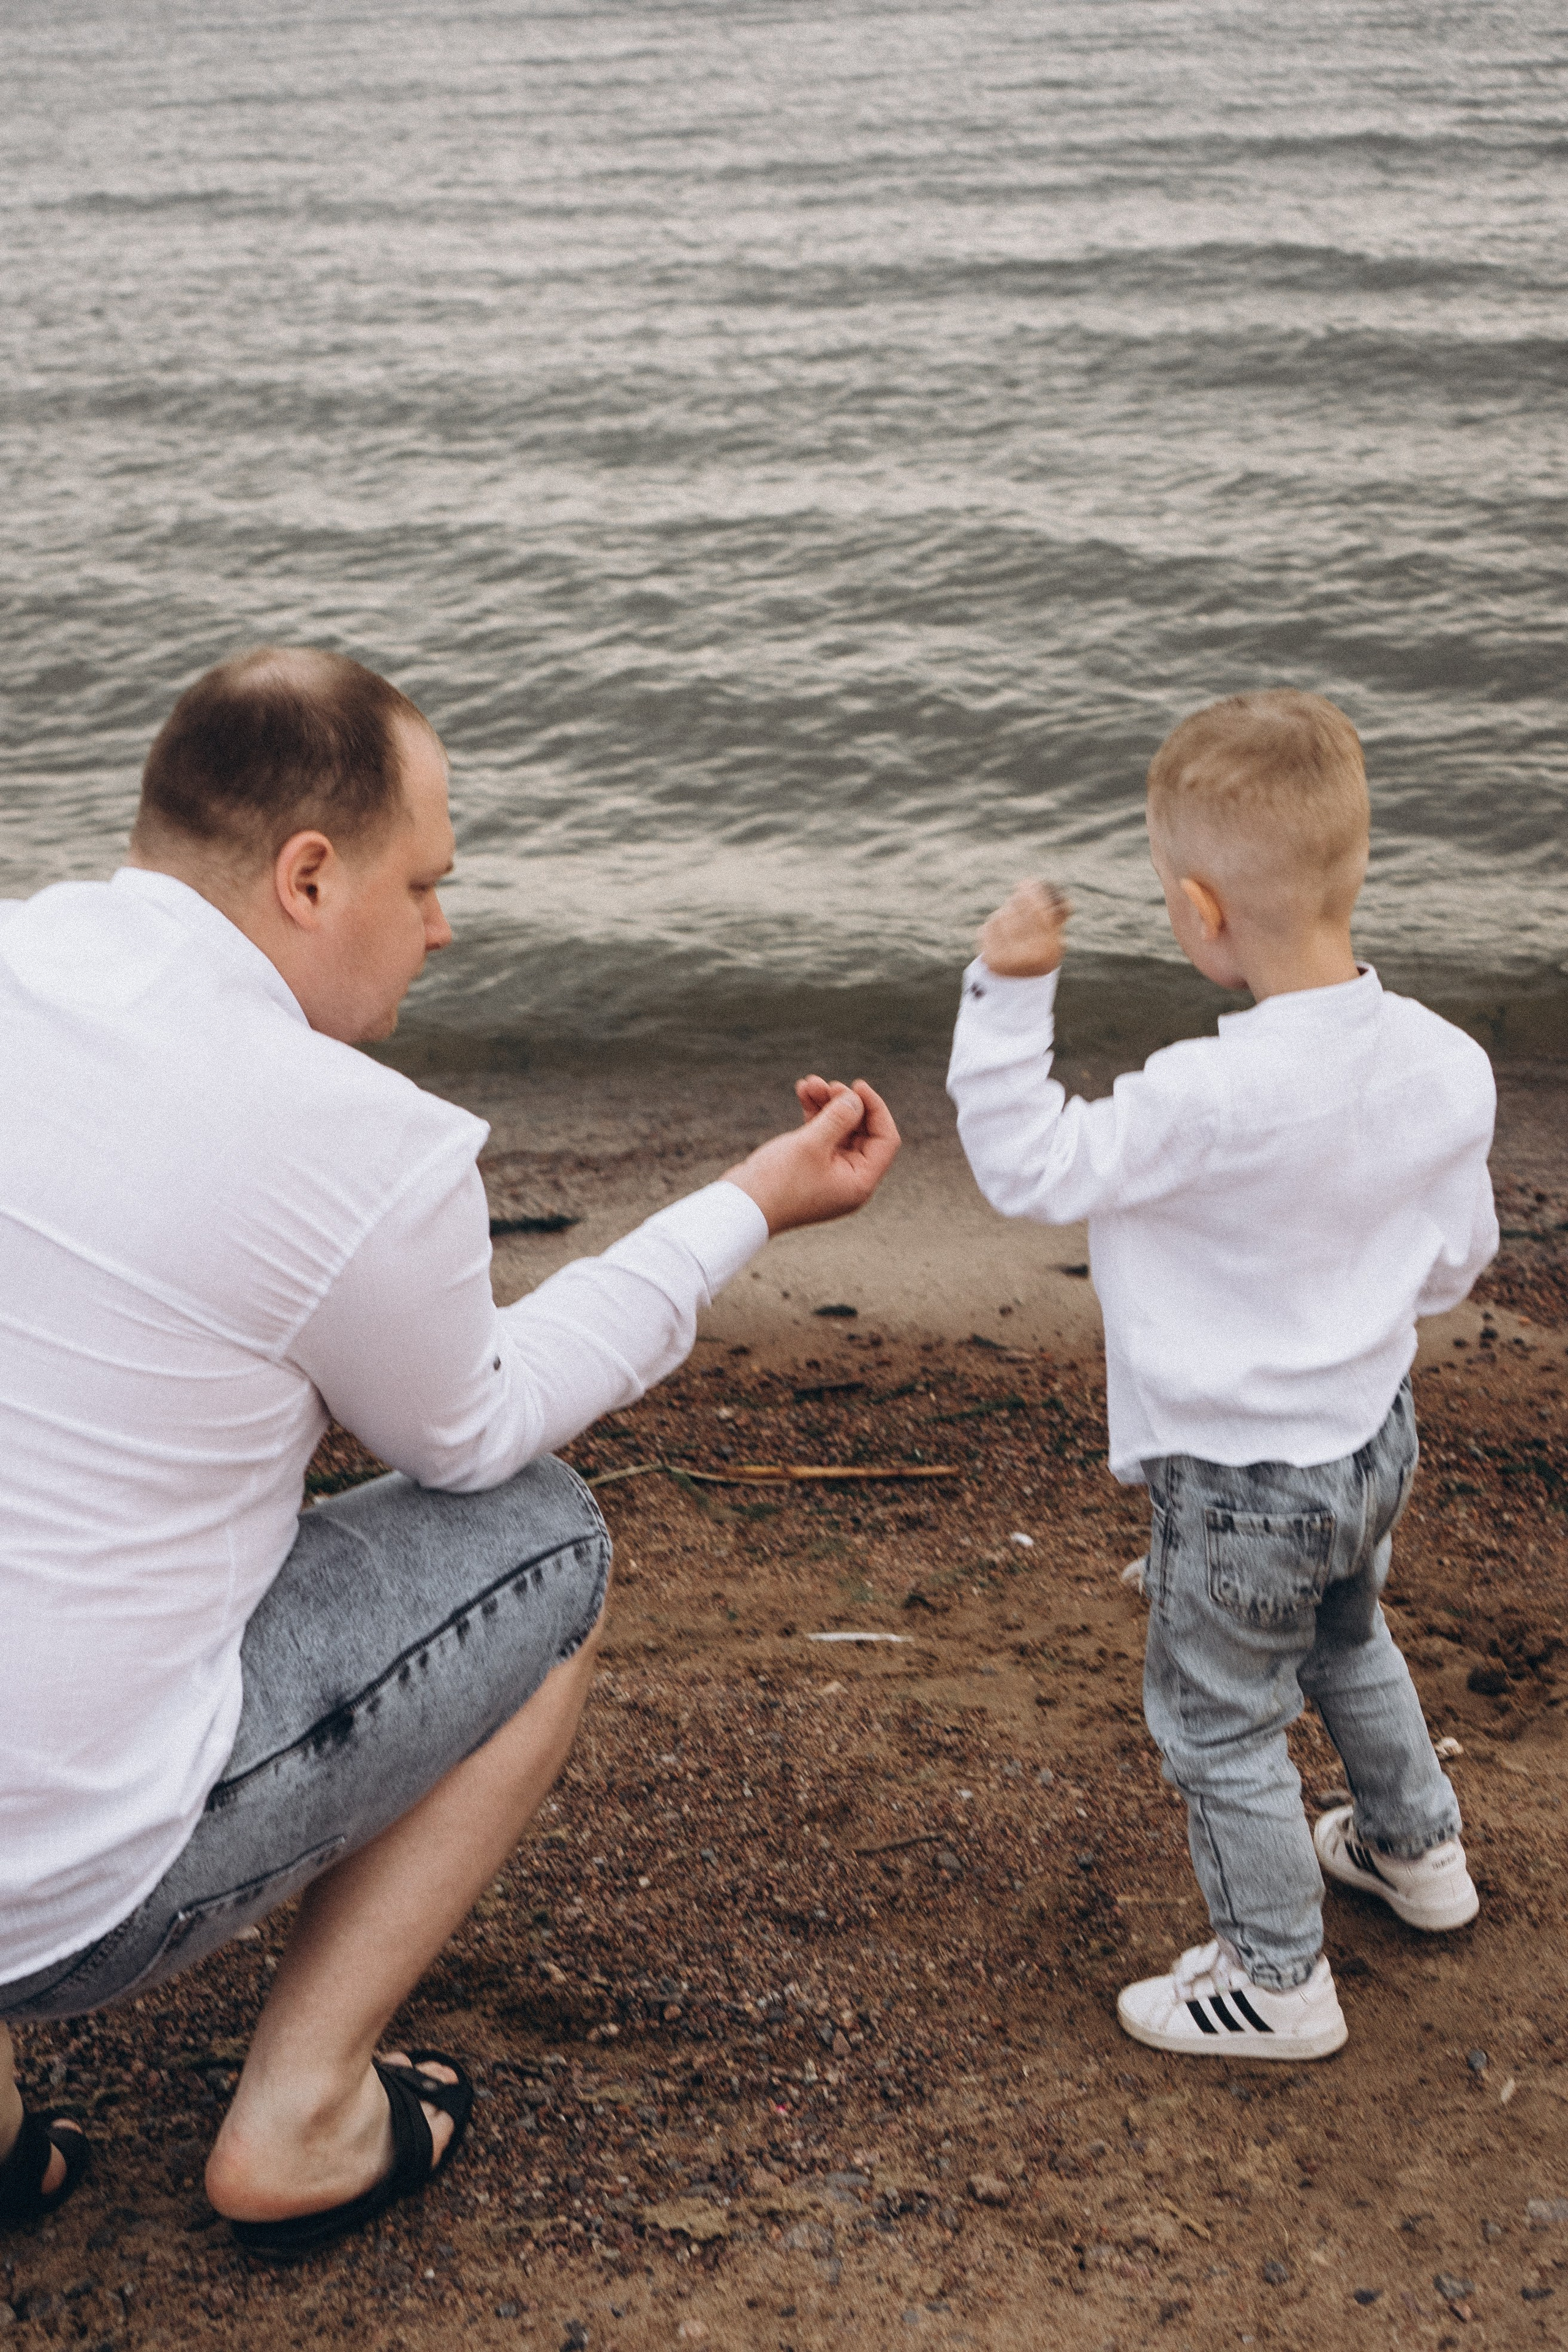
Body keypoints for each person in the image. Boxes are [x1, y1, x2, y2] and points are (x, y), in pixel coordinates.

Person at [0, 647, 900, 2251]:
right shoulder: (352, 1140)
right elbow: (473, 1432)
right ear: (308, 877)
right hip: (56, 1895)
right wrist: (747, 1204)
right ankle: (302, 2113)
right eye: (424, 883)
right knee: (541, 1542)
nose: (442, 926)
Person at [947, 688, 1496, 2061]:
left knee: (1220, 1726)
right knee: (1346, 1638)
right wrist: (1353, 1312)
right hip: (1370, 1441)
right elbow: (1456, 1259)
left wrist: (1007, 989)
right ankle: (1416, 1852)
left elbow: (1029, 1165)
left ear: (1199, 912)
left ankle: (1276, 1981)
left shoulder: (1202, 1096)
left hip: (1242, 1481)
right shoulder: (1446, 1062)